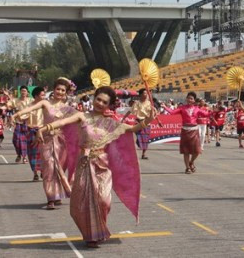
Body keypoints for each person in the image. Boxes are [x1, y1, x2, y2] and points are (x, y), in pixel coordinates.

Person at [38, 86, 154, 248]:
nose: (100, 103)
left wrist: (148, 120)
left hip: (102, 166)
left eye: (104, 102)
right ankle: (91, 235)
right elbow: (62, 121)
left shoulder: (110, 124)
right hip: (84, 165)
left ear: (109, 105)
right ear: (94, 99)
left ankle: (98, 228)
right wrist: (45, 128)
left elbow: (132, 129)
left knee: (104, 201)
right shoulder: (81, 116)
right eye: (98, 99)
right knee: (81, 203)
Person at [13, 78, 77, 209]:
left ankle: (57, 194)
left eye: (63, 90)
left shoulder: (68, 108)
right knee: (49, 168)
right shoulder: (45, 103)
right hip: (46, 139)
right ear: (53, 90)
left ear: (66, 93)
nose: (60, 92)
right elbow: (30, 108)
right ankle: (50, 199)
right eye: (58, 89)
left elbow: (79, 121)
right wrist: (16, 115)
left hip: (62, 142)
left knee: (59, 169)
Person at [162, 92, 211, 174]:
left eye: (191, 98)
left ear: (194, 100)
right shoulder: (182, 108)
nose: (189, 100)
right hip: (185, 130)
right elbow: (172, 112)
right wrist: (165, 107)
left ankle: (191, 162)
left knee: (197, 151)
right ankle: (187, 167)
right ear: (186, 99)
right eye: (188, 98)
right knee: (186, 151)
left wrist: (213, 112)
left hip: (194, 130)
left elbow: (206, 114)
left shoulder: (197, 109)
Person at [122, 89, 152, 160]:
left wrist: (158, 121)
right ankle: (132, 152)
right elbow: (130, 111)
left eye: (146, 93)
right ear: (141, 94)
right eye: (144, 93)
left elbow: (153, 113)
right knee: (136, 138)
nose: (146, 94)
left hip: (147, 122)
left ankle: (144, 154)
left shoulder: (149, 103)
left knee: (146, 139)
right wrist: (123, 118)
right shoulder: (136, 103)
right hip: (138, 122)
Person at [5, 86, 32, 163]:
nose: (23, 92)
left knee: (25, 141)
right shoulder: (16, 100)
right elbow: (9, 105)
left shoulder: (31, 100)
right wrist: (7, 96)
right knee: (16, 140)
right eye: (22, 91)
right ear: (20, 92)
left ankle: (24, 157)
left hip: (27, 122)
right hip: (18, 123)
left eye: (25, 91)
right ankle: (19, 154)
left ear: (27, 92)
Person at [26, 87, 46, 181]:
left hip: (43, 132)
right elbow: (23, 118)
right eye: (42, 95)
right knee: (32, 154)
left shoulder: (46, 106)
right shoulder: (29, 106)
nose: (44, 97)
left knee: (43, 153)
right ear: (36, 96)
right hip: (31, 132)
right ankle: (35, 173)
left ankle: (43, 171)